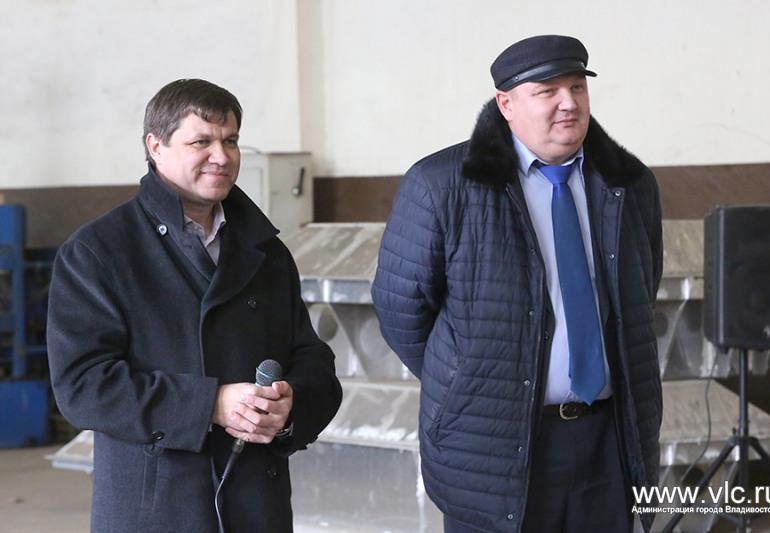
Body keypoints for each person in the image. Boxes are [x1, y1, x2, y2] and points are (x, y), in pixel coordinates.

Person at [372, 35, 662, 533]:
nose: (568, 103)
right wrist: (470, 378)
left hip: (609, 441)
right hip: (492, 445)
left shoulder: (628, 184)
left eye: (577, 87)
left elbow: (640, 289)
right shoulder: (441, 184)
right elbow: (401, 307)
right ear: (506, 104)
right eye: (547, 91)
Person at [47, 79, 342, 533]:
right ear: (156, 146)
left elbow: (310, 356)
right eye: (201, 142)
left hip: (256, 503)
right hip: (157, 507)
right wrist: (210, 405)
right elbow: (83, 386)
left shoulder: (265, 250)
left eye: (231, 141)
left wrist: (292, 405)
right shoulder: (99, 252)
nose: (221, 156)